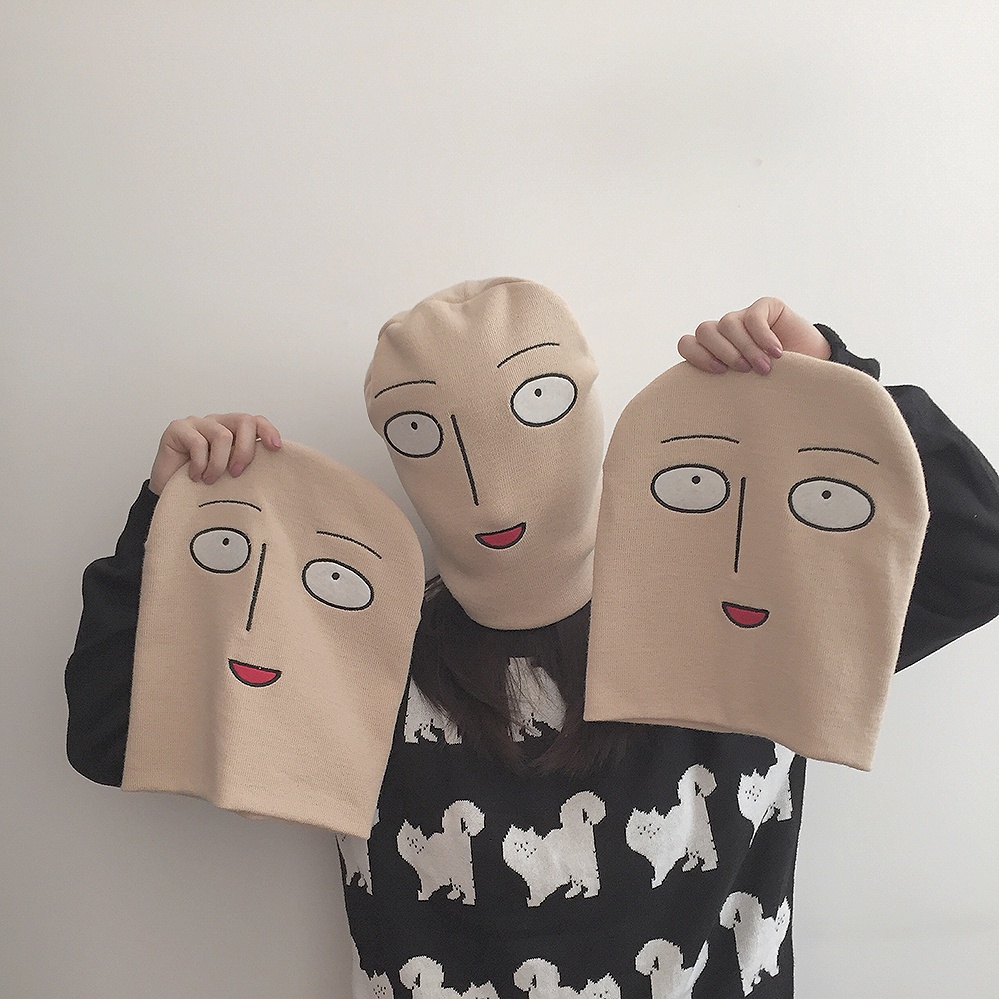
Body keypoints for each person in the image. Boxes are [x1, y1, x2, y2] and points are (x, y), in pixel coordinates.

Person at [66, 285, 999, 998]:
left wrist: (832, 387)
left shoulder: (738, 611)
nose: (485, 477)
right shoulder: (360, 651)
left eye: (535, 402)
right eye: (423, 430)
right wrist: (174, 524)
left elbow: (978, 558)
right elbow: (117, 737)